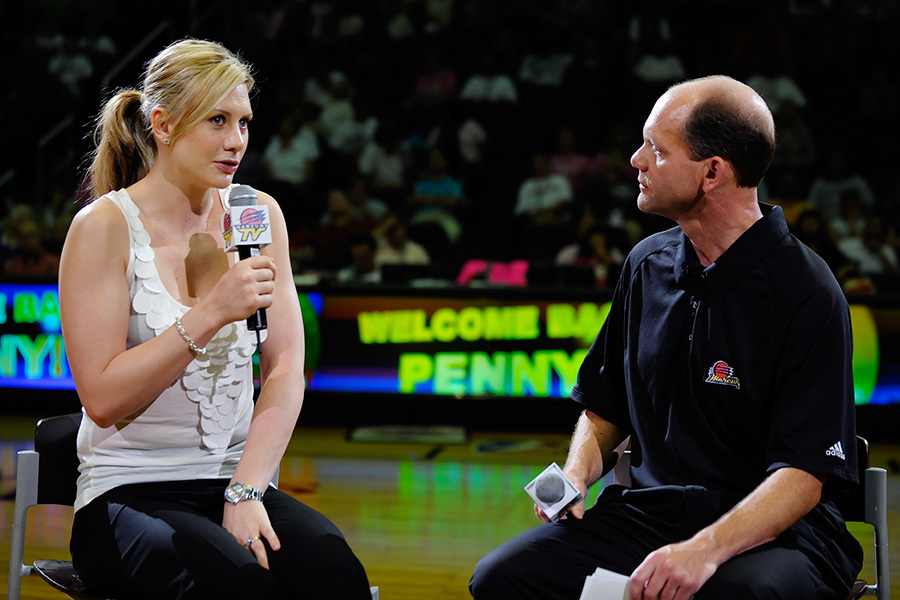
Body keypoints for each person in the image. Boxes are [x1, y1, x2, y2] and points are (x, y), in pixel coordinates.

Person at [470, 75, 862, 599]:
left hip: (782, 535)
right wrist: (577, 472)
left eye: (656, 148)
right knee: (503, 577)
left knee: (739, 595)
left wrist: (704, 550)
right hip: (652, 517)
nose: (636, 159)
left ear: (712, 173)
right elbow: (604, 407)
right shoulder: (645, 264)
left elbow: (802, 476)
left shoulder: (808, 293)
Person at [57, 38, 371, 599]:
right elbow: (101, 398)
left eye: (244, 123)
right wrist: (212, 313)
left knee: (336, 574)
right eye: (218, 121)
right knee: (236, 588)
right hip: (128, 492)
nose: (236, 142)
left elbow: (285, 368)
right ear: (163, 124)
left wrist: (246, 490)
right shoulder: (102, 227)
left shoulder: (257, 213)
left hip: (232, 482)